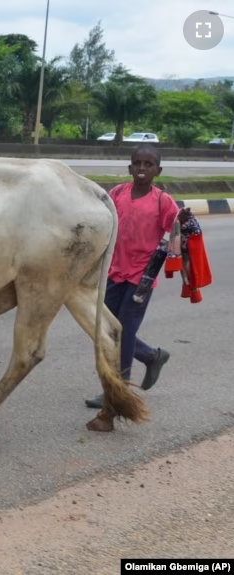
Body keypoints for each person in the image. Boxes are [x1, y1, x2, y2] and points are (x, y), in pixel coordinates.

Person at [85, 144, 191, 409]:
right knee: (109, 331)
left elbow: (176, 233)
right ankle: (151, 356)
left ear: (158, 170)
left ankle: (117, 392)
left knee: (124, 332)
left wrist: (183, 220)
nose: (142, 168)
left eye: (148, 164)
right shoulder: (117, 193)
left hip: (141, 278)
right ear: (130, 166)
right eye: (138, 163)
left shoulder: (161, 201)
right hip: (113, 272)